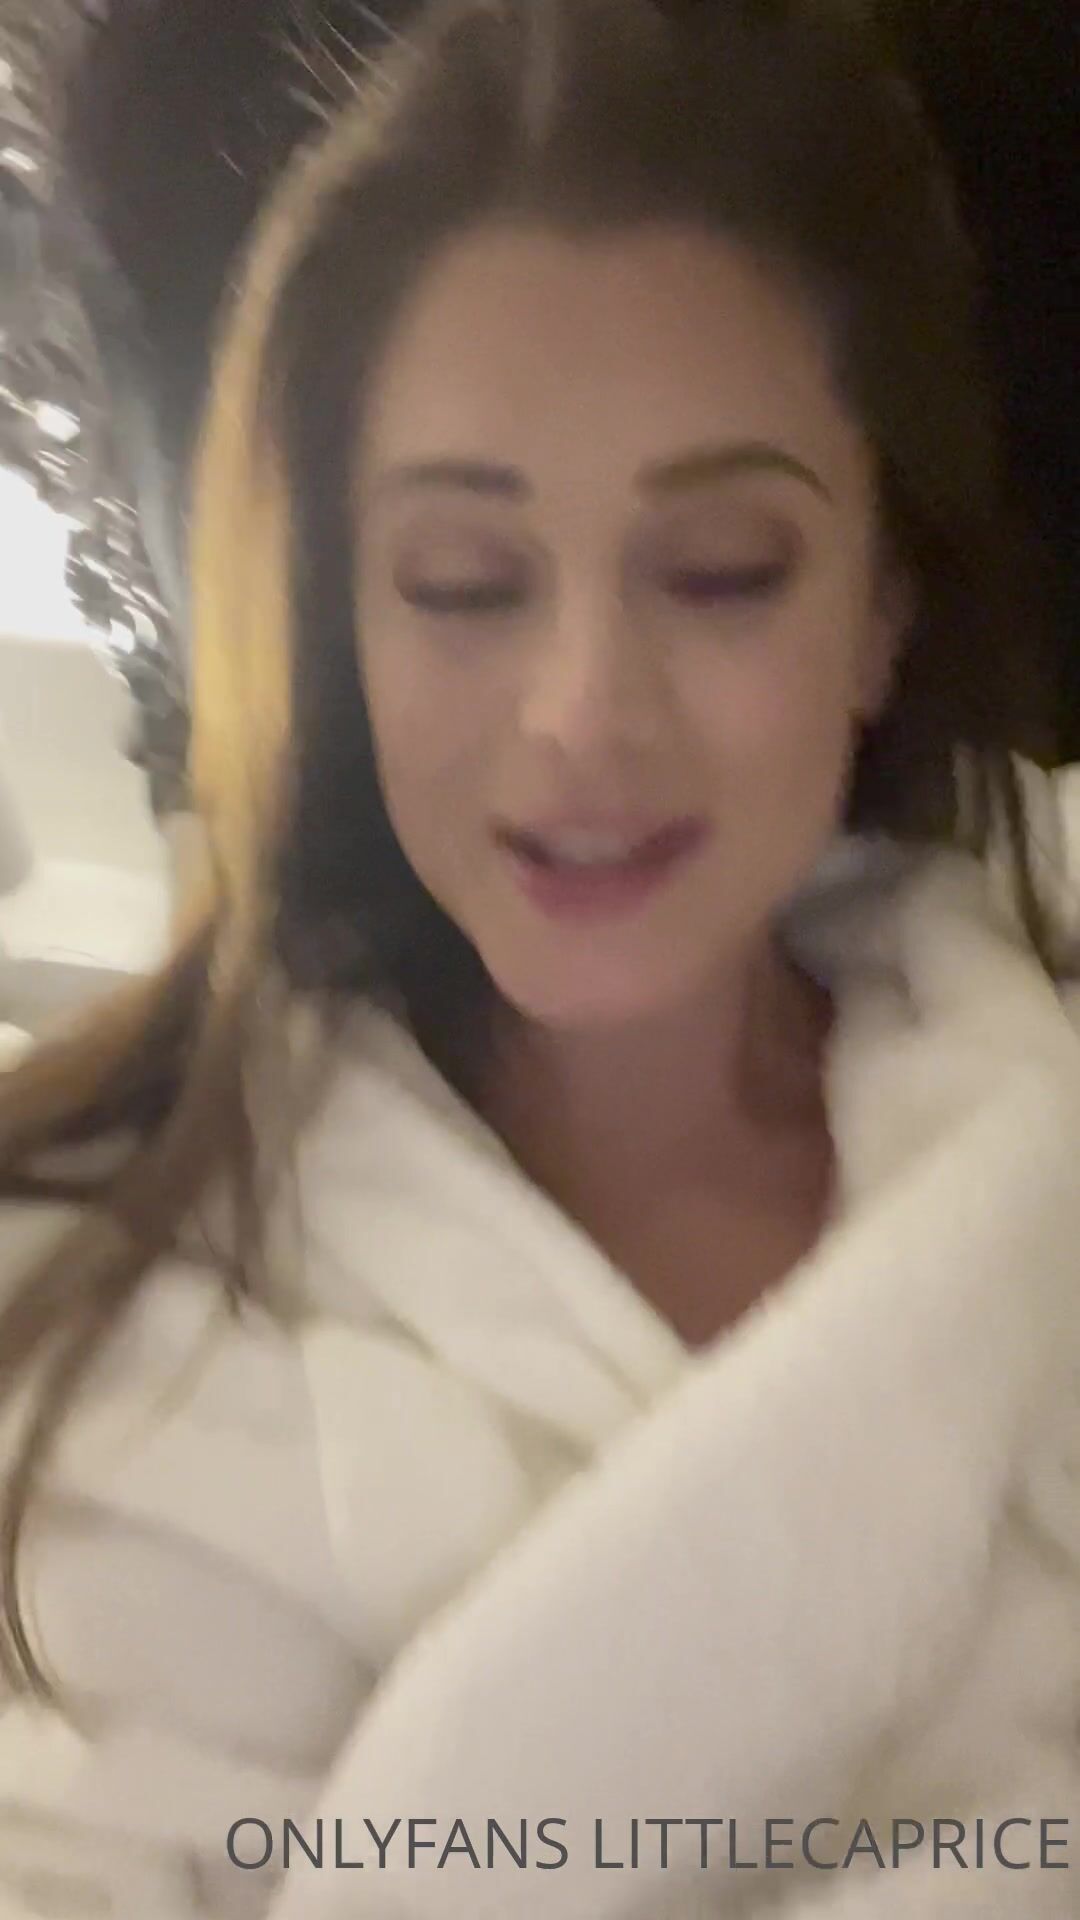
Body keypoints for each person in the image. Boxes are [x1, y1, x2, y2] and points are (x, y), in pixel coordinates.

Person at [0, 0, 1079, 1914]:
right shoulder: (81, 1308)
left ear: (880, 611)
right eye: (467, 584)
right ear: (341, 624)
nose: (585, 714)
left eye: (723, 570)